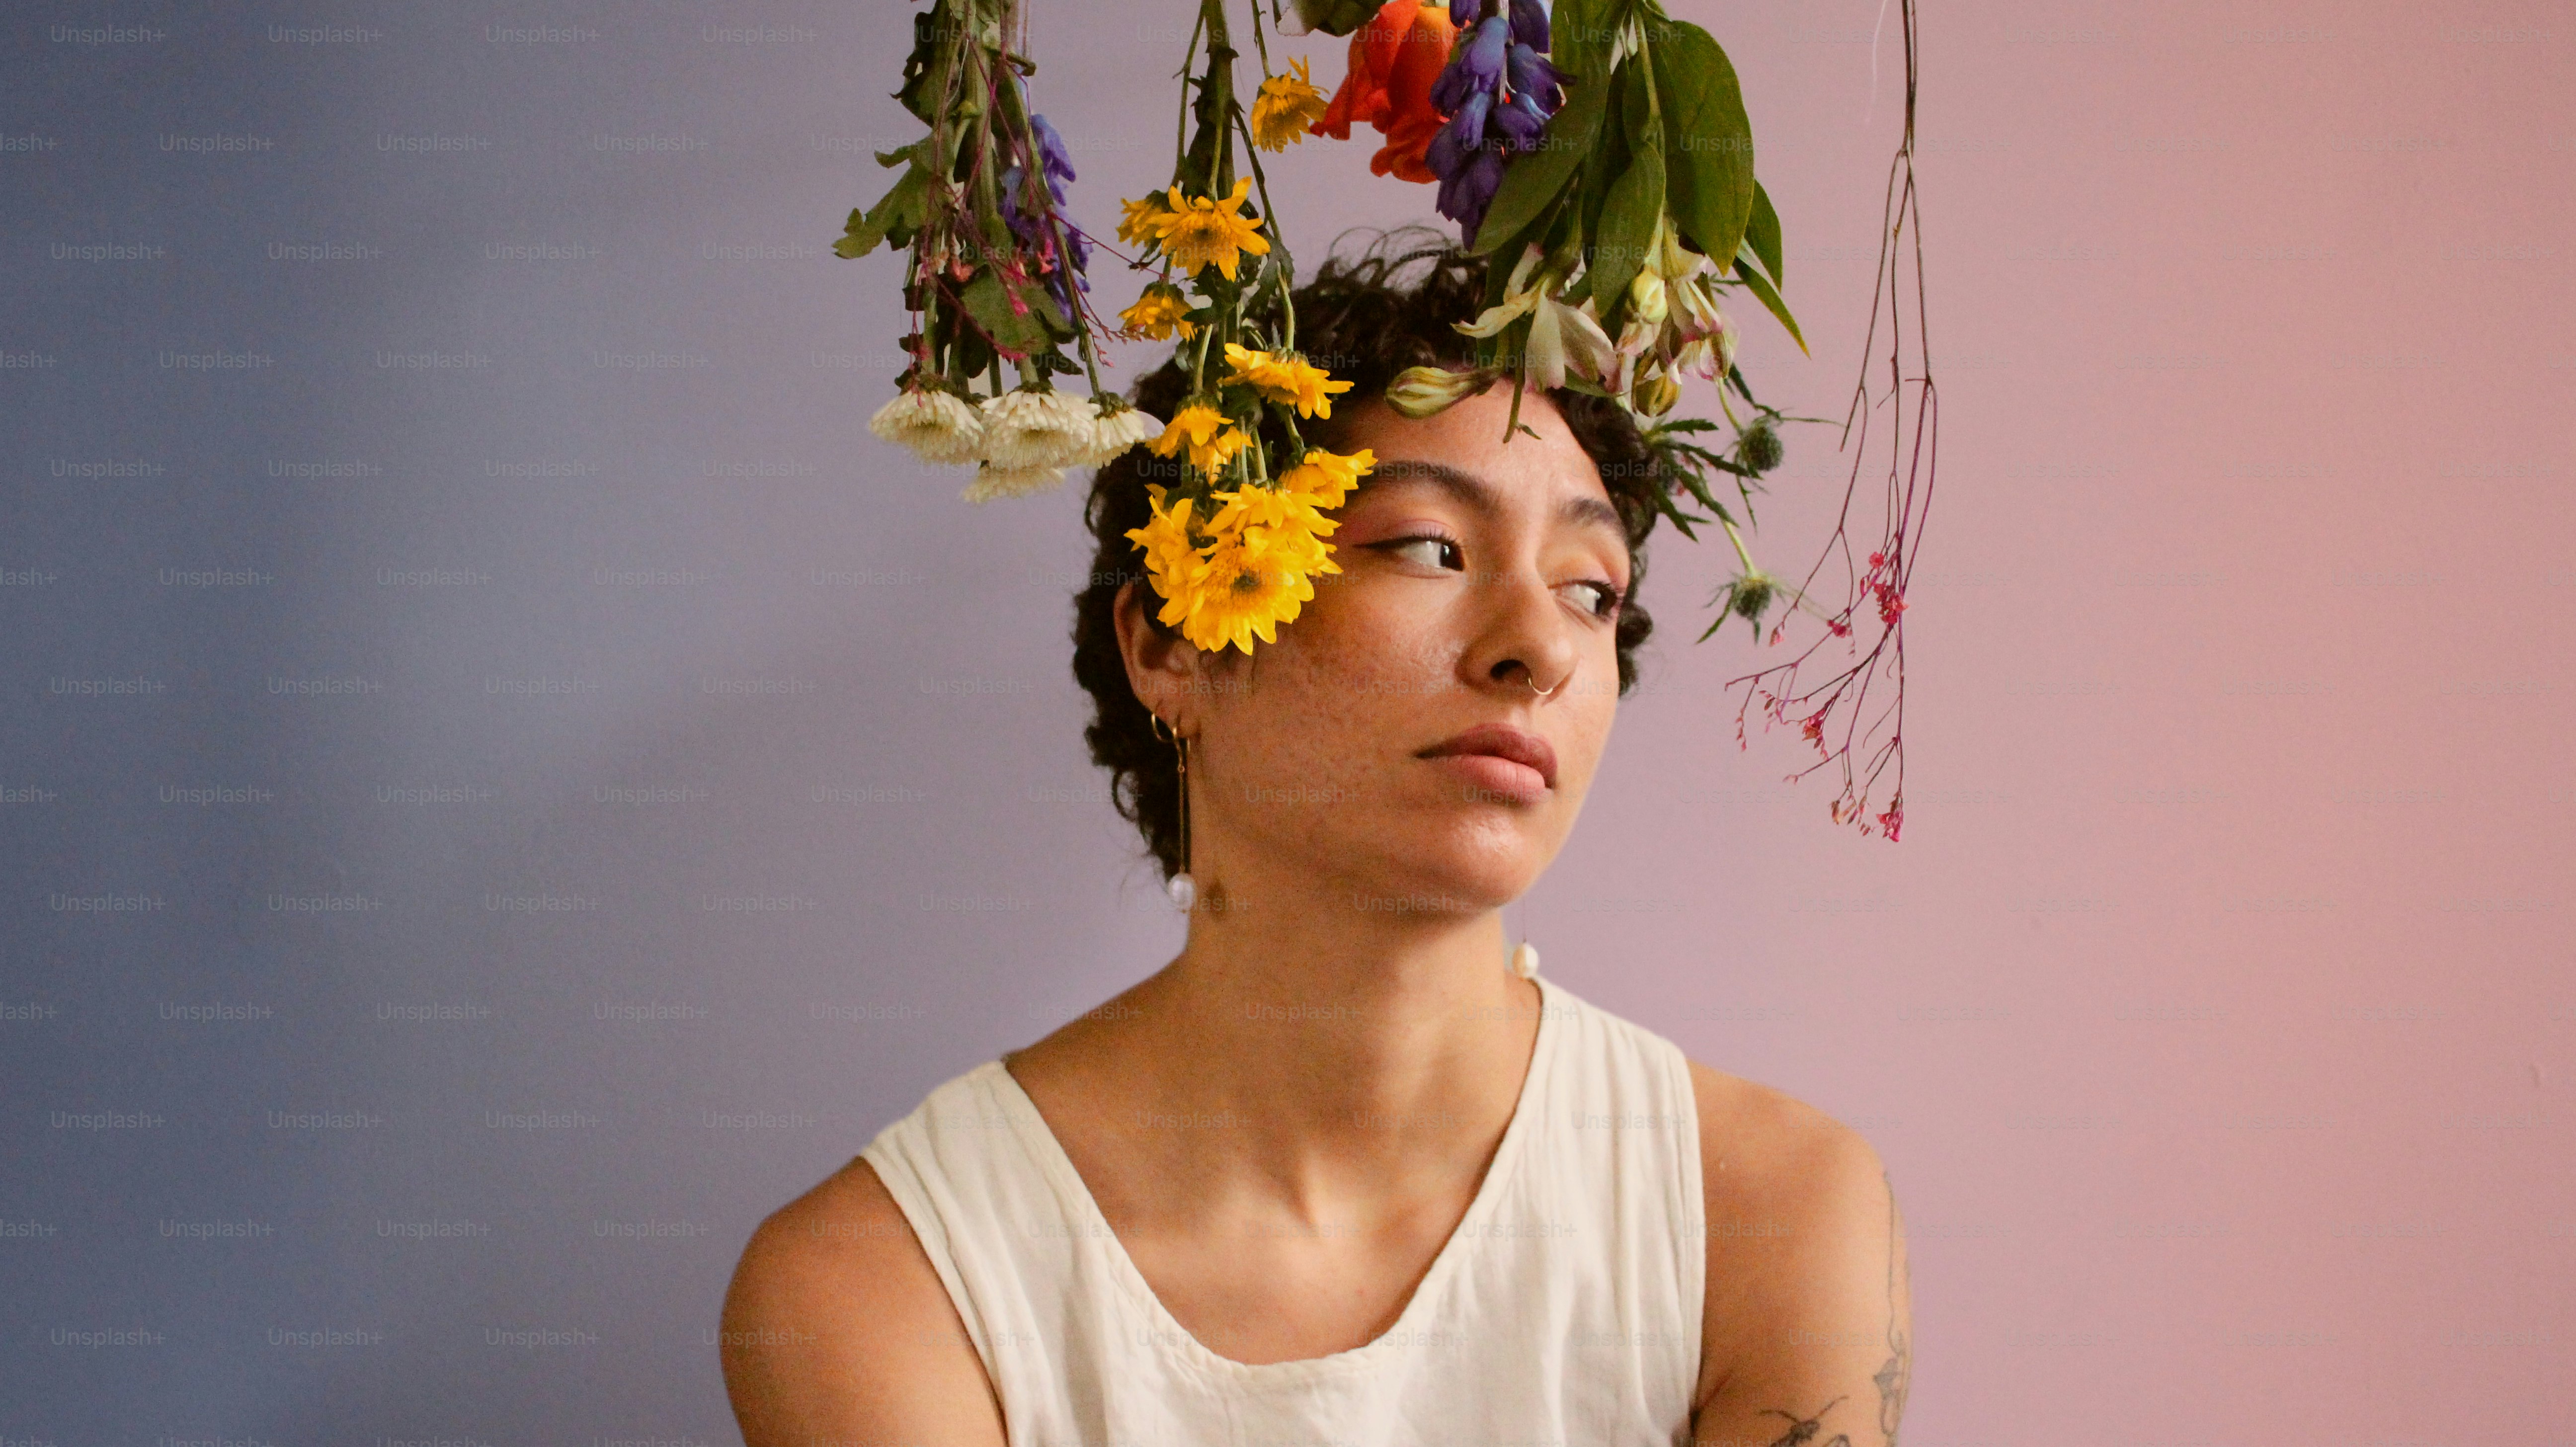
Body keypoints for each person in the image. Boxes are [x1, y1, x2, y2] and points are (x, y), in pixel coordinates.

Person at [720, 236, 1911, 1446]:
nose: (1538, 649)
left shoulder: (1766, 1210)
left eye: (1589, 589)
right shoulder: (891, 1282)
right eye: (1427, 548)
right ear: (1171, 645)